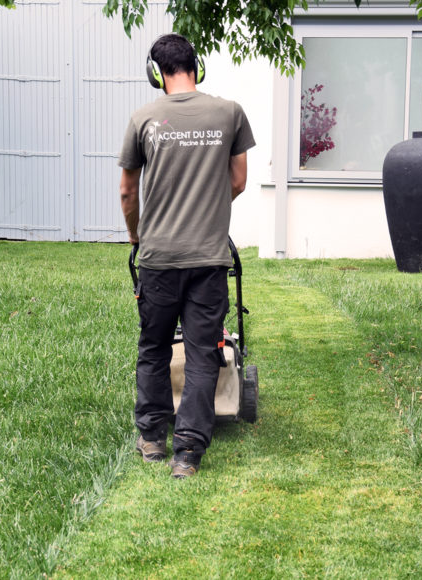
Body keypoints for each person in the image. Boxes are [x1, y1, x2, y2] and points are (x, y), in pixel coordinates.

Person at [118, 33, 255, 479]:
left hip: (157, 258)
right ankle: (188, 454)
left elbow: (127, 190)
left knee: (154, 348)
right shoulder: (229, 113)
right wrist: (206, 212)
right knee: (202, 354)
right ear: (198, 66)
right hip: (209, 258)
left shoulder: (143, 118)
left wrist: (137, 237)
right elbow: (238, 181)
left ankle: (154, 438)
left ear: (154, 73)